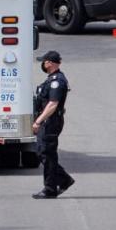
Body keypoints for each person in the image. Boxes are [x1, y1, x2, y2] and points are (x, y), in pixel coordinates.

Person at [31, 50, 74, 199]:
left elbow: (52, 104)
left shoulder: (57, 81)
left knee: (47, 153)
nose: (42, 64)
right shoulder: (51, 79)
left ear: (49, 63)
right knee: (43, 153)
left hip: (51, 121)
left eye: (44, 61)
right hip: (48, 121)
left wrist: (38, 121)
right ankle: (63, 180)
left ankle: (50, 188)